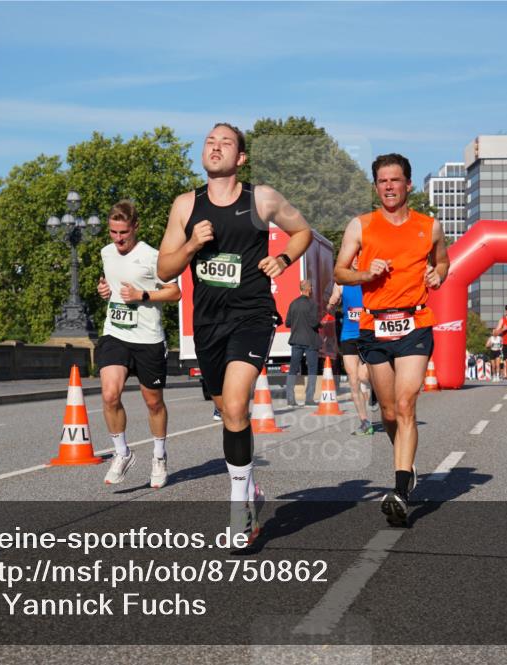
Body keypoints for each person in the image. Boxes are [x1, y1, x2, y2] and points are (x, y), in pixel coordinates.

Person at [156, 122, 312, 543]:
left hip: (252, 315)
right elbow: (164, 269)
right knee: (229, 413)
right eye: (210, 141)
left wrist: (281, 259)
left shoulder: (260, 198)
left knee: (239, 405)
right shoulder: (185, 205)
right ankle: (251, 489)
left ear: (240, 157)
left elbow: (303, 232)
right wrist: (190, 245)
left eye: (225, 142)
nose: (216, 147)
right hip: (207, 323)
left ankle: (239, 507)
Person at [333, 152, 449, 528]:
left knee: (405, 403)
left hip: (415, 323)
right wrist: (365, 272)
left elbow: (443, 262)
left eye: (395, 180)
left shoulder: (428, 226)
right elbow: (340, 271)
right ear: (376, 186)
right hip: (374, 327)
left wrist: (438, 275)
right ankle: (406, 461)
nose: (389, 187)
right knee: (386, 412)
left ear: (408, 184)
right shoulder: (361, 226)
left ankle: (400, 490)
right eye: (382, 181)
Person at [95, 201, 182, 489]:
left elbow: (174, 292)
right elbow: (112, 285)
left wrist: (142, 296)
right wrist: (104, 291)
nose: (118, 239)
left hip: (147, 339)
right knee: (109, 395)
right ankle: (122, 453)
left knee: (153, 402)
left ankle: (159, 457)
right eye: (112, 232)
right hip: (115, 333)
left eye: (123, 233)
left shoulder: (151, 257)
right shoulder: (106, 253)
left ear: (135, 228)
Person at [327, 281, 374, 435]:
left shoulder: (368, 278)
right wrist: (331, 304)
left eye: (357, 256)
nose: (354, 259)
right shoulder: (341, 283)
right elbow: (332, 301)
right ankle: (364, 421)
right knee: (354, 381)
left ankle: (379, 392)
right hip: (348, 335)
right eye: (351, 256)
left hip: (368, 334)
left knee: (364, 375)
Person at [285, 280, 320, 408]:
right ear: (309, 289)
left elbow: (288, 323)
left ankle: (290, 398)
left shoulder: (293, 303)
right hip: (310, 340)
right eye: (311, 286)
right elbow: (314, 323)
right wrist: (321, 324)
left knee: (293, 369)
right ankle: (309, 398)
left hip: (296, 340)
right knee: (312, 369)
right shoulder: (312, 304)